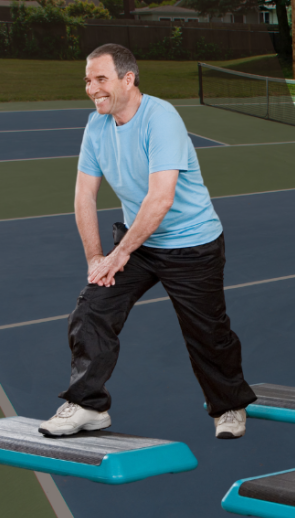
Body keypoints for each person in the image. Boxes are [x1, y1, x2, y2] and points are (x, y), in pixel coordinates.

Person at [38, 44, 256, 439]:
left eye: (100, 79)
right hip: (138, 242)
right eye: (88, 80)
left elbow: (161, 198)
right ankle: (88, 405)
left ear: (128, 79)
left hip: (191, 243)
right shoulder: (96, 126)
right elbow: (84, 195)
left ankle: (229, 407)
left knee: (207, 333)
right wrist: (95, 258)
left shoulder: (161, 119)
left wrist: (119, 254)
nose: (91, 88)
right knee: (91, 311)